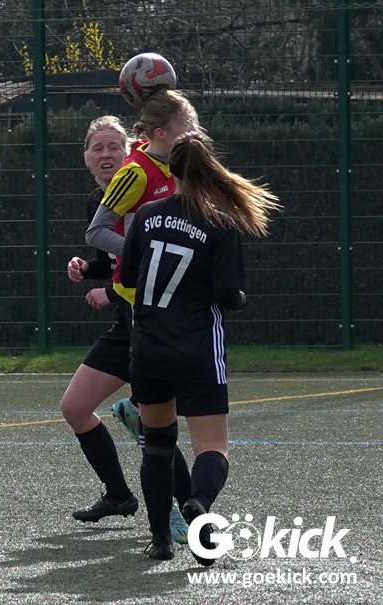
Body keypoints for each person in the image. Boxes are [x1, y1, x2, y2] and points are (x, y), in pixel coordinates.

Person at [119, 132, 279, 562]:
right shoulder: (221, 224)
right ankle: (199, 503)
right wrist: (241, 299)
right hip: (197, 350)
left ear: (170, 169)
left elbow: (129, 277)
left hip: (148, 348)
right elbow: (228, 295)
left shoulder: (147, 215)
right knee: (212, 448)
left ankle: (160, 540)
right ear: (210, 168)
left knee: (157, 446)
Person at [64, 97, 198, 542]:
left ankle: (185, 511)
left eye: (113, 147)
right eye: (96, 148)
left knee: (151, 421)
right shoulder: (98, 203)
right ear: (86, 158)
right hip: (129, 319)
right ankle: (119, 495)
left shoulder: (149, 175)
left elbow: (147, 253)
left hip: (157, 320)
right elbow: (114, 259)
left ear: (129, 152)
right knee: (75, 407)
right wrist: (90, 269)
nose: (105, 154)